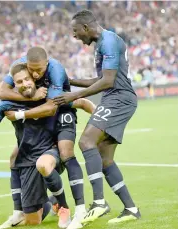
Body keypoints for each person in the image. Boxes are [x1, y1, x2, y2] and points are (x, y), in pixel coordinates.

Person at [0, 64, 96, 229]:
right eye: (19, 82)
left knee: (43, 164)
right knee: (33, 220)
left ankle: (64, 207)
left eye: (27, 79)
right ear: (14, 86)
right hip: (28, 158)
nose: (24, 84)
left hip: (51, 152)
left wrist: (100, 122)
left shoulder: (49, 96)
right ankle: (47, 202)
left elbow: (82, 103)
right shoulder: (7, 104)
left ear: (34, 80)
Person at [54, 9, 141, 225]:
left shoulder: (108, 41)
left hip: (119, 98)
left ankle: (99, 203)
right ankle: (131, 208)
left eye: (76, 31)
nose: (75, 36)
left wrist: (74, 95)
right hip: (115, 98)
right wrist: (70, 81)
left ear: (86, 27)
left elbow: (108, 81)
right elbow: (100, 78)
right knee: (104, 158)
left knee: (86, 142)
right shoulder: (101, 43)